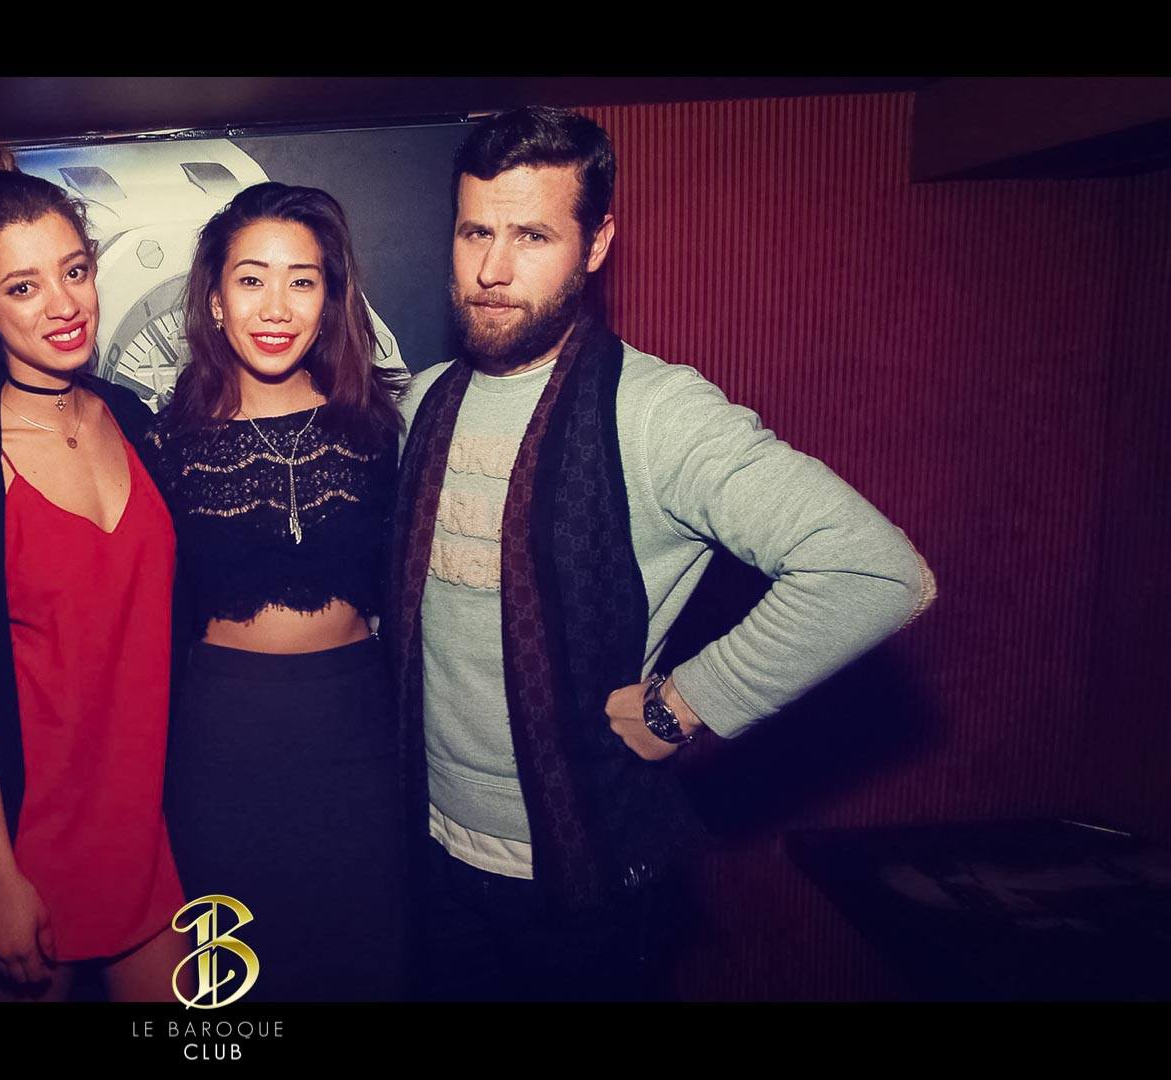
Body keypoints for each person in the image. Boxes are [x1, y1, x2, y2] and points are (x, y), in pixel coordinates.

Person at [389, 106, 936, 1001]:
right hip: (434, 851)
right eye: (475, 231)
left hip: (584, 874)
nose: (492, 269)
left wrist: (686, 702)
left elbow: (871, 570)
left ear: (597, 243)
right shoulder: (426, 401)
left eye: (533, 235)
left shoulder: (656, 413)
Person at [0, 142, 187, 1002]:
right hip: (34, 840)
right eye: (23, 287)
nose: (64, 305)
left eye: (74, 271)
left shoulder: (136, 419)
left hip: (153, 827)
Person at [142, 182, 408, 1001]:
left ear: (329, 302)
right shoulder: (164, 442)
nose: (276, 306)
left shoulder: (378, 428)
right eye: (252, 278)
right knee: (234, 977)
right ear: (215, 300)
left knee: (364, 959)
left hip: (356, 725)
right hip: (223, 733)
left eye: (302, 280)